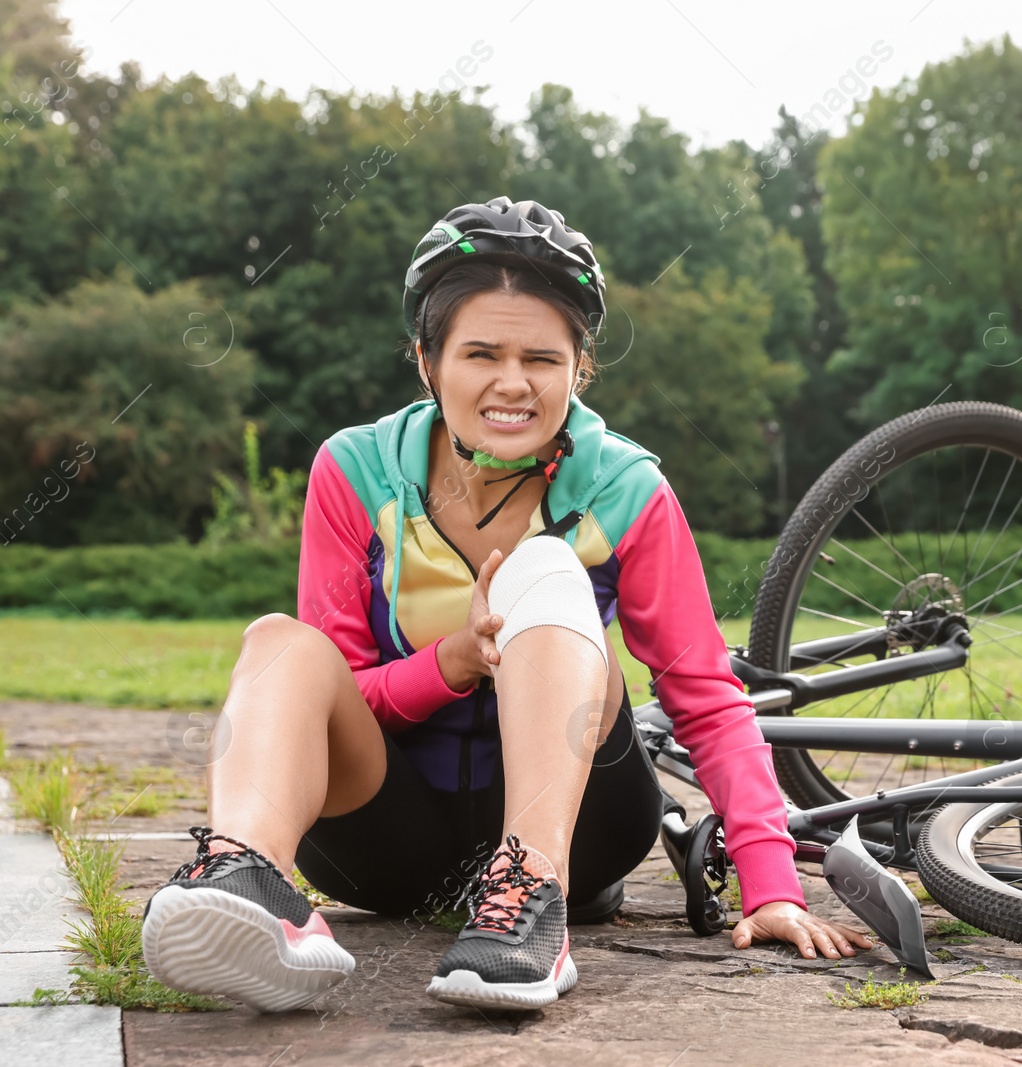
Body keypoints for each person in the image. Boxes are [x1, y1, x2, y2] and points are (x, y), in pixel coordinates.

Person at [139, 196, 871, 1013]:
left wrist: (772, 885)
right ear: (427, 359)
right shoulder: (353, 471)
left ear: (579, 370)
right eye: (480, 352)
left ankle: (532, 903)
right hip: (386, 844)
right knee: (279, 642)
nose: (512, 383)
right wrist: (448, 665)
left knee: (549, 566)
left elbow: (705, 696)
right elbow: (339, 692)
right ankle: (250, 883)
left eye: (543, 359)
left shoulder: (627, 488)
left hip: (584, 832)